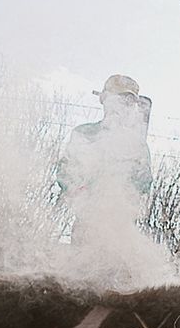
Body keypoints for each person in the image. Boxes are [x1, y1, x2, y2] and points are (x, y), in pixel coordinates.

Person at [57, 75, 153, 245]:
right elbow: (65, 171)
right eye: (119, 99)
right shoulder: (84, 133)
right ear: (104, 100)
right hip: (86, 225)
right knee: (79, 267)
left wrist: (122, 201)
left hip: (121, 229)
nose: (123, 106)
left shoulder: (137, 145)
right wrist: (81, 192)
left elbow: (143, 182)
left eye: (128, 102)